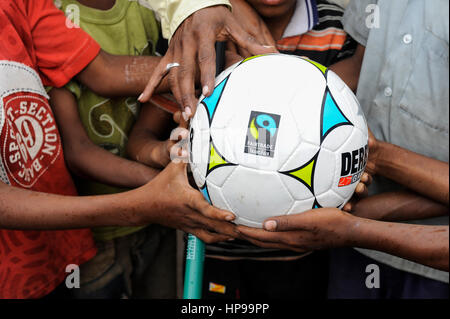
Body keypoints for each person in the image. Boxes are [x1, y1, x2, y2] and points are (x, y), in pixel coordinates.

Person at [0, 0, 272, 299]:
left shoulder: (25, 7)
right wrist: (157, 191)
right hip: (91, 238)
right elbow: (78, 152)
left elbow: (105, 71)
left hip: (64, 246)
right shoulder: (63, 13)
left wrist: (224, 67)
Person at [237, 0, 449, 299]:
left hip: (429, 258)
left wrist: (375, 157)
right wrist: (282, 100)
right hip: (357, 238)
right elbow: (363, 62)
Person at [194, 0, 360, 299]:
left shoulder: (336, 26)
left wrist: (350, 166)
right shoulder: (208, 25)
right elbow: (150, 133)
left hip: (304, 256)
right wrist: (179, 149)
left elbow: (347, 121)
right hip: (217, 249)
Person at [48, 0, 179, 299]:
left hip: (160, 218)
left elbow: (162, 97)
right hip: (97, 234)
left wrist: (157, 156)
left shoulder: (146, 9)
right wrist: (161, 185)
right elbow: (78, 153)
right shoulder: (55, 19)